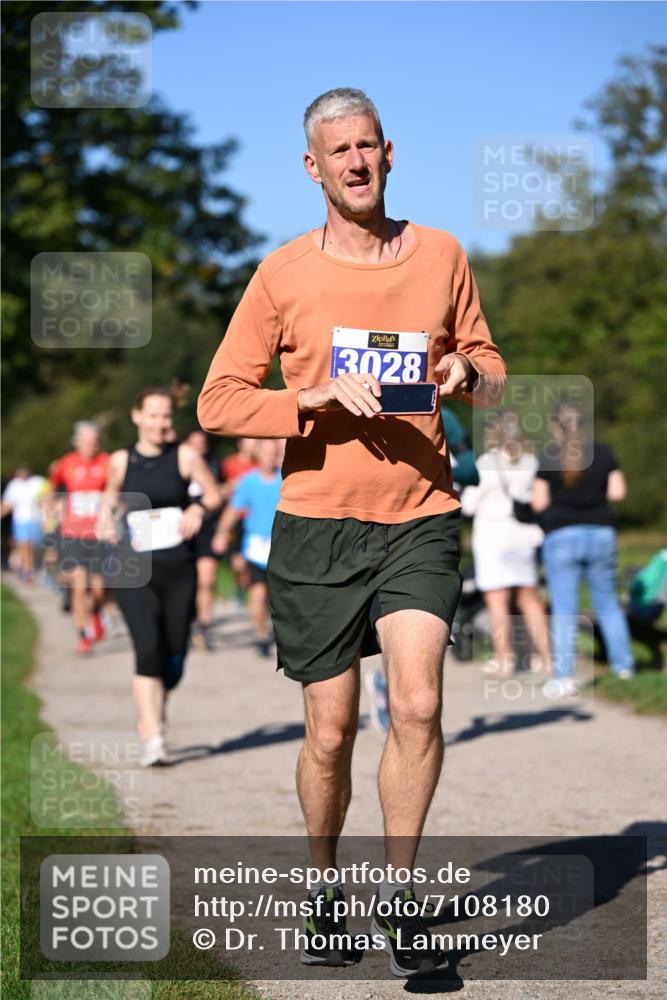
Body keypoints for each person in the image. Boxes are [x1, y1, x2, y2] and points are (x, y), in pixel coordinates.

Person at [198, 88, 505, 977]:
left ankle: (401, 900)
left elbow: (491, 372)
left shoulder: (443, 253)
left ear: (389, 152)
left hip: (419, 515)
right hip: (315, 528)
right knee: (329, 732)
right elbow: (217, 401)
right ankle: (323, 889)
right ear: (312, 166)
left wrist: (461, 371)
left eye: (368, 146)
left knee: (417, 704)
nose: (357, 162)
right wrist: (310, 398)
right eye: (339, 152)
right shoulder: (282, 273)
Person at [97, 387, 221, 767]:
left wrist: (198, 509)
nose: (159, 423)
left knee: (173, 658)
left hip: (178, 568)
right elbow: (109, 498)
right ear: (137, 416)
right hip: (134, 568)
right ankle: (152, 736)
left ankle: (155, 709)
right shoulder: (121, 460)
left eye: (165, 416)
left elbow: (215, 495)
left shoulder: (185, 457)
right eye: (152, 415)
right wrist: (104, 519)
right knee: (147, 648)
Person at [532, 402, 635, 693]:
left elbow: (538, 502)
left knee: (564, 608)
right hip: (601, 533)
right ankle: (623, 666)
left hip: (561, 536)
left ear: (555, 426)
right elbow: (618, 492)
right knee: (608, 604)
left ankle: (564, 677)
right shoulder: (603, 453)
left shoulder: (549, 456)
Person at [461, 412, 552, 677]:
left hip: (492, 537)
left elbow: (469, 504)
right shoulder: (531, 461)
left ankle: (505, 659)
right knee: (530, 600)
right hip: (523, 536)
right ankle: (546, 659)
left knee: (497, 602)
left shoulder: (486, 462)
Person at [213, 439, 283, 656]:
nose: (270, 457)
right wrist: (221, 533)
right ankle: (261, 636)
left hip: (283, 547)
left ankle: (282, 635)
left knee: (279, 598)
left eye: (274, 452)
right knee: (258, 594)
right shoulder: (248, 481)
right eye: (266, 452)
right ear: (258, 455)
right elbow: (233, 511)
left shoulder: (287, 478)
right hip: (256, 549)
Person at [47, 422, 110, 654]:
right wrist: (51, 535)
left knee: (98, 589)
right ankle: (83, 635)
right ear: (77, 443)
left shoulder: (107, 463)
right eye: (86, 442)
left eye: (94, 442)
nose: (90, 446)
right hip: (72, 534)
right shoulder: (66, 464)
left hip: (98, 535)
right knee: (78, 586)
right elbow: (53, 497)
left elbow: (116, 494)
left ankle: (95, 613)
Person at [182, 427, 226, 651]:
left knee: (207, 580)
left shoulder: (216, 464)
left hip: (208, 526)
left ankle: (205, 625)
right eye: (195, 443)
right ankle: (186, 622)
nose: (200, 447)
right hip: (183, 528)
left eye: (203, 443)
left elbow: (224, 492)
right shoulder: (179, 463)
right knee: (186, 582)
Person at [220, 438, 258, 604]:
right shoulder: (229, 463)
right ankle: (240, 583)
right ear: (240, 443)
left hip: (254, 518)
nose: (253, 444)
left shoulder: (259, 464)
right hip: (235, 517)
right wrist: (232, 487)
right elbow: (219, 490)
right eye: (249, 441)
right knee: (237, 561)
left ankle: (253, 589)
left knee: (252, 557)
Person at [1, 465, 47, 583]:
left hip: (37, 520)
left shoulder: (38, 482)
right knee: (24, 545)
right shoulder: (14, 485)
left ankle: (27, 567)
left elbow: (48, 498)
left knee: (33, 546)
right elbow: (7, 504)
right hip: (20, 520)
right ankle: (27, 572)